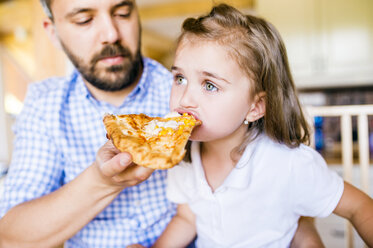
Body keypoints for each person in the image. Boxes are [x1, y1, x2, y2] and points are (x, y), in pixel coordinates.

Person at [0, 0, 325, 247]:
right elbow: (11, 235)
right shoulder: (44, 104)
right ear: (52, 31)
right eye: (85, 19)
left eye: (123, 12)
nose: (111, 33)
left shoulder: (191, 96)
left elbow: (276, 184)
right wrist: (103, 182)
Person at [130, 4, 373, 248]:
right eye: (180, 79)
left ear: (255, 107)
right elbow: (187, 218)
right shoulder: (183, 155)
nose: (184, 100)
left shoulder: (287, 164)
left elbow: (360, 207)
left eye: (209, 85)